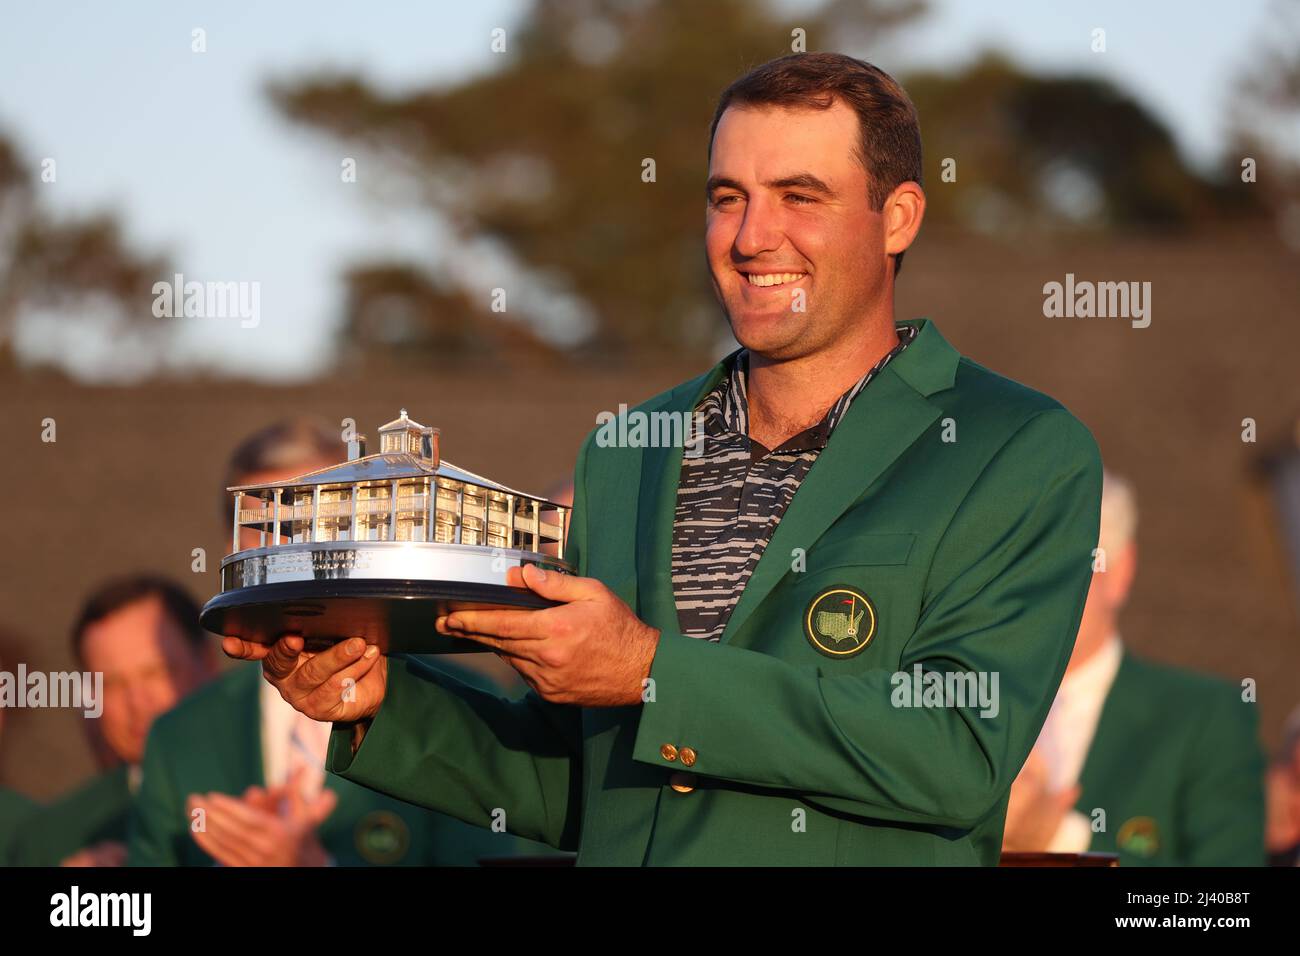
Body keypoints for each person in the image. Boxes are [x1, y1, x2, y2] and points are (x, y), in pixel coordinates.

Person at [229, 53, 1103, 866]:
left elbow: (959, 752)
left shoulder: (1014, 447)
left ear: (898, 215)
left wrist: (651, 671)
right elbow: (597, 787)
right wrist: (384, 703)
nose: (754, 235)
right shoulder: (624, 448)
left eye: (801, 195)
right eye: (729, 196)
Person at [130, 418, 538, 865]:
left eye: (320, 514)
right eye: (266, 520)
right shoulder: (179, 737)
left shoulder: (471, 708)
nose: (289, 542)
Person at [1003, 471, 1265, 865]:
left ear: (1120, 570)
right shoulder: (959, 704)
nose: (1040, 587)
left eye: (1067, 564)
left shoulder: (1206, 718)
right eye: (1017, 564)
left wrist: (1055, 838)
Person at [8, 577, 218, 866]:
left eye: (155, 673)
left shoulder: (273, 781)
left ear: (208, 663)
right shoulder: (50, 839)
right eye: (112, 684)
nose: (138, 704)